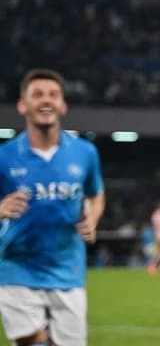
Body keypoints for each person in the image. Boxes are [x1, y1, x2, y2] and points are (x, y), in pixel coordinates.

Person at [0, 69, 105, 346]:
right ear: (22, 105)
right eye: (37, 95)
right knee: (32, 341)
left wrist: (92, 219)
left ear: (63, 105)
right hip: (16, 266)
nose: (46, 100)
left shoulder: (85, 153)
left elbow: (96, 195)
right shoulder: (4, 156)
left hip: (68, 269)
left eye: (53, 95)